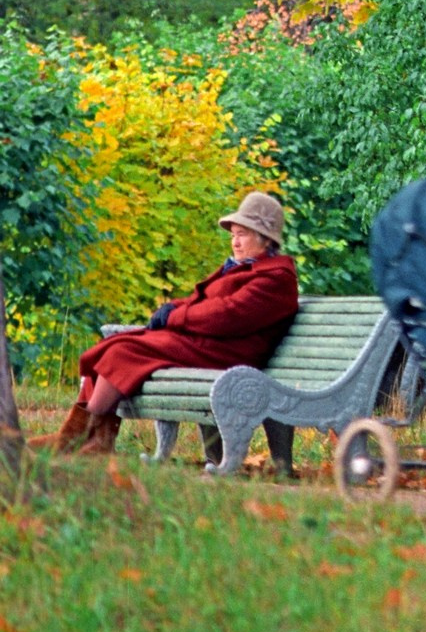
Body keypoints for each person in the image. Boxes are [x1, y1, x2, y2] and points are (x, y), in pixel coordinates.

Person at [29, 191, 298, 457]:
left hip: (230, 353)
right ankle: (93, 438)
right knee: (113, 345)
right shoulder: (242, 267)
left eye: (242, 234)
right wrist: (173, 307)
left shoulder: (275, 278)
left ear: (265, 239)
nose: (235, 242)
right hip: (210, 344)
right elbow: (201, 301)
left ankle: (78, 438)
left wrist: (175, 317)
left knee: (123, 352)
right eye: (233, 235)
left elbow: (228, 315)